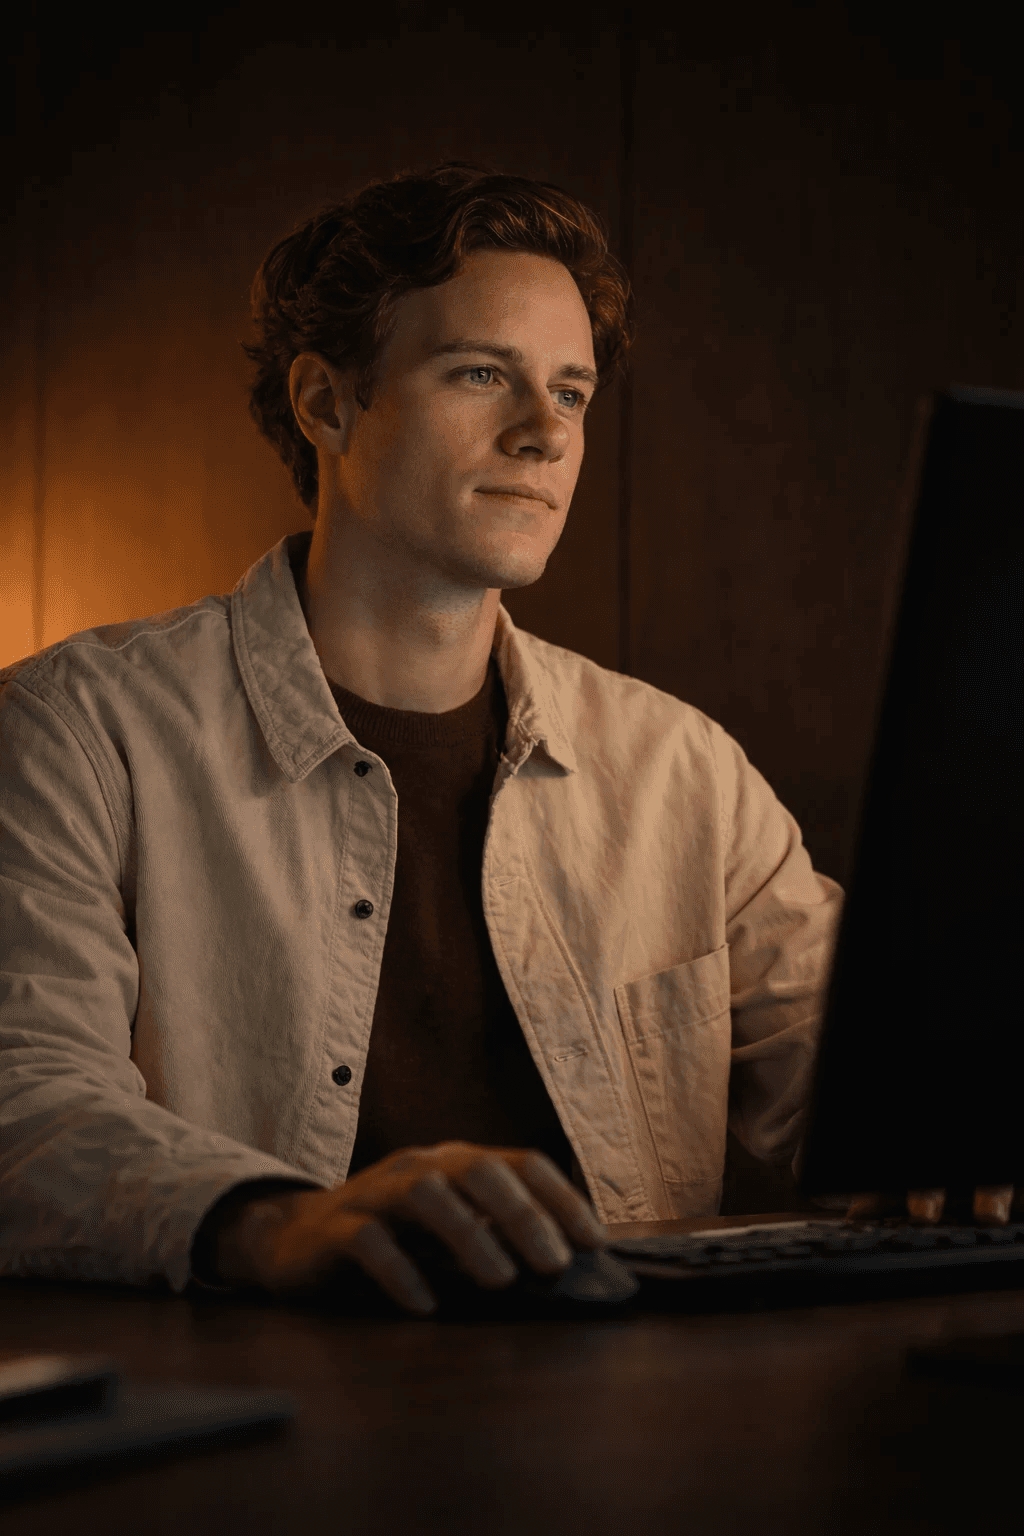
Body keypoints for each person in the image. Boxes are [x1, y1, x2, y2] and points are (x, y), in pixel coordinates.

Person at [0, 164, 1012, 1318]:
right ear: (325, 404)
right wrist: (274, 1217)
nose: (545, 434)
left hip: (637, 1431)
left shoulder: (682, 771)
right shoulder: (75, 733)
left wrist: (962, 1131)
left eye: (572, 393)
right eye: (482, 374)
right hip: (264, 1428)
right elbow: (22, 1104)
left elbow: (878, 1077)